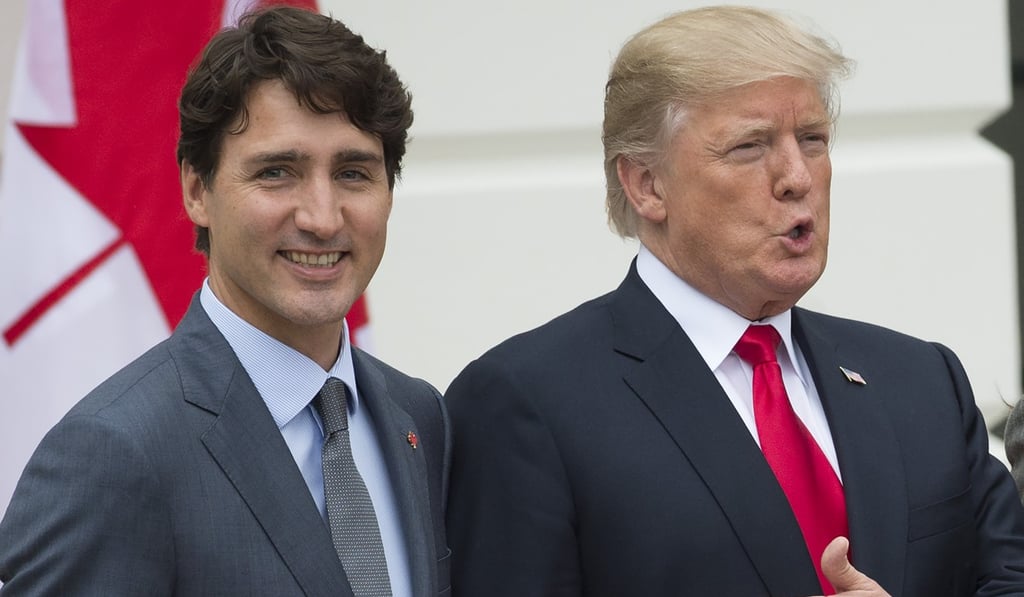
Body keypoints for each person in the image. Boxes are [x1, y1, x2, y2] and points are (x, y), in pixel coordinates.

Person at [444, 6, 1024, 597]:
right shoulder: (526, 404)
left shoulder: (922, 379)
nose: (797, 176)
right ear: (647, 184)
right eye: (750, 147)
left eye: (813, 140)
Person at [0, 6, 450, 596]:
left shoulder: (418, 416)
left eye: (353, 173)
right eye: (277, 173)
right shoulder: (115, 452)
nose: (321, 217)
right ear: (196, 190)